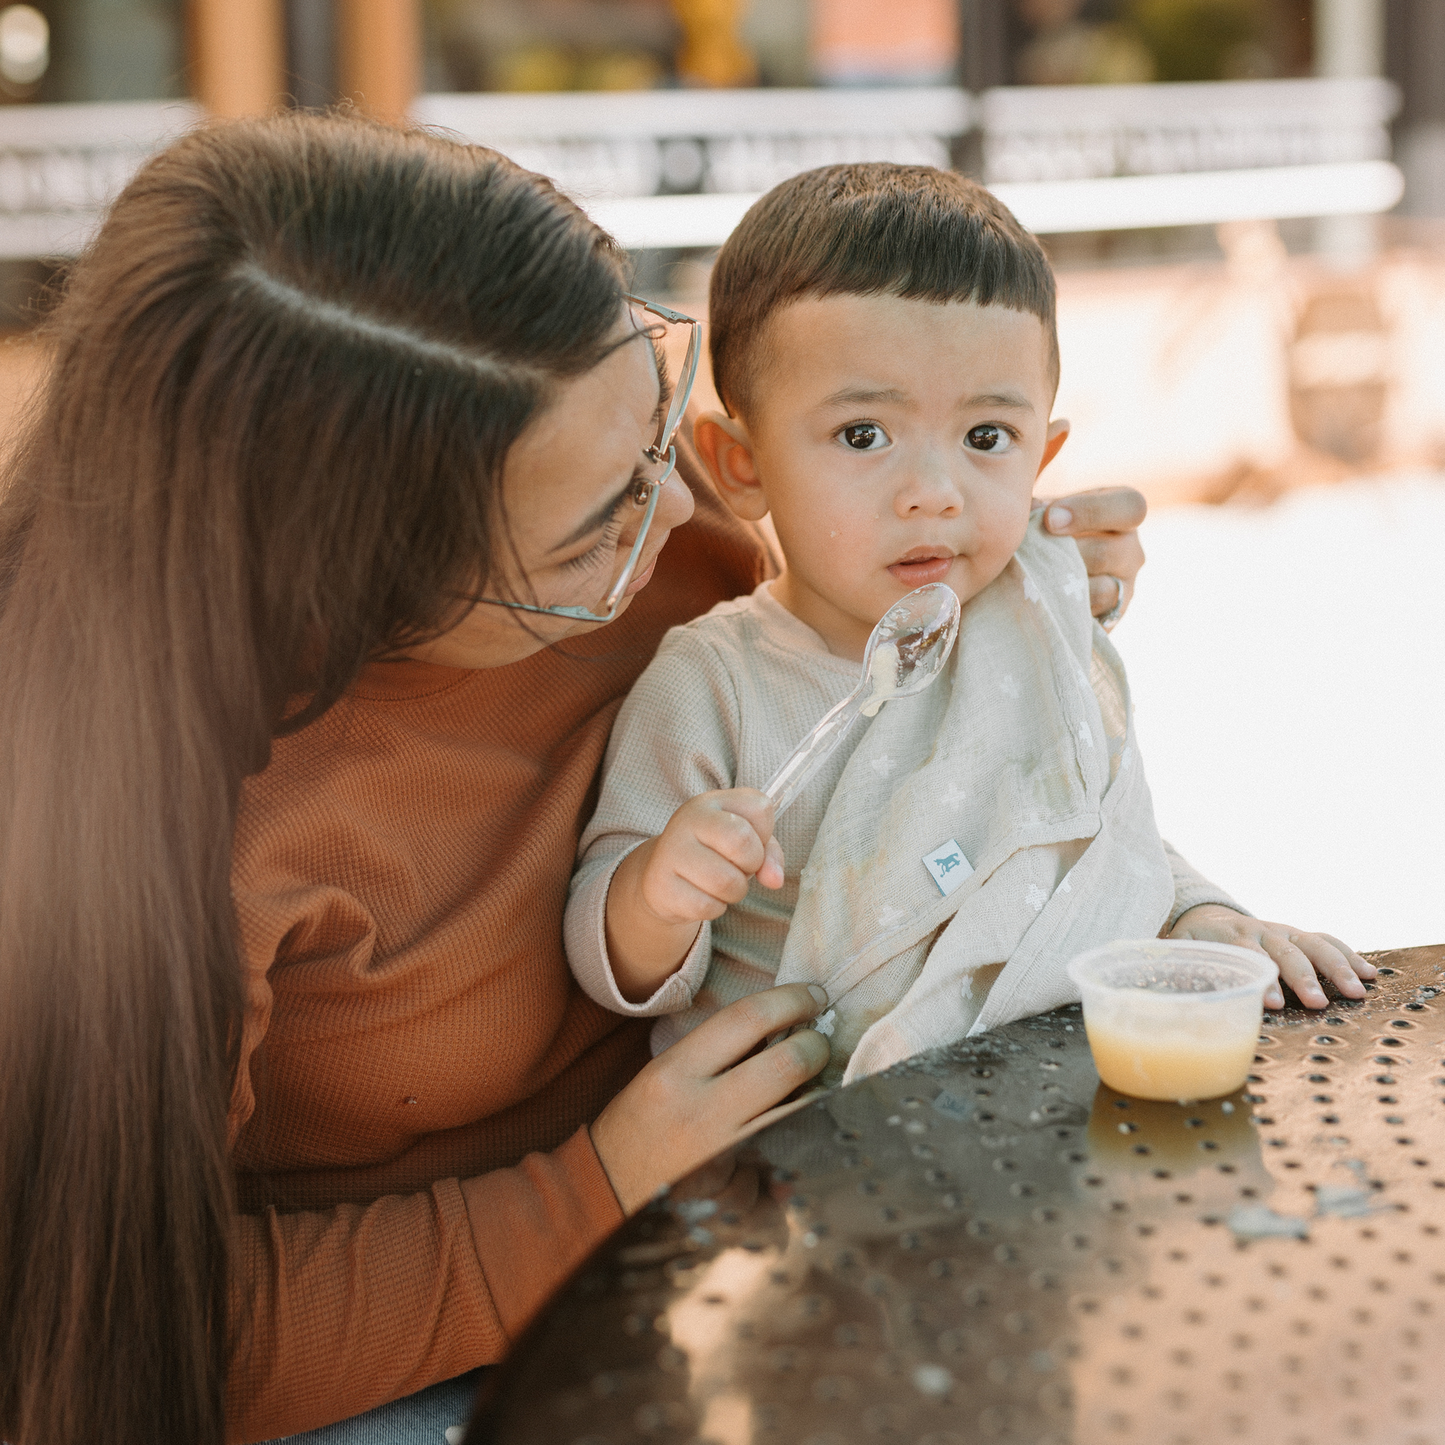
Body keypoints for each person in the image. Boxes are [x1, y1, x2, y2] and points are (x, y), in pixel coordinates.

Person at [0, 116, 1149, 1445]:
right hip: (418, 1364)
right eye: (597, 523)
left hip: (794, 1224)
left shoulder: (671, 553)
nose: (682, 522)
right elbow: (118, 1334)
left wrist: (1025, 603)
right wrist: (596, 1191)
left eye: (656, 421)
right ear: (348, 598)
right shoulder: (117, 835)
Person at [566, 164, 1372, 1086]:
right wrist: (656, 895)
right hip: (814, 1127)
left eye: (986, 437)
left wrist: (1193, 913)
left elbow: (1078, 830)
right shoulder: (712, 679)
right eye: (863, 434)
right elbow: (609, 961)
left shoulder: (1021, 636)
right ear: (738, 464)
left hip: (1032, 1097)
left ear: (1043, 457)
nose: (934, 496)